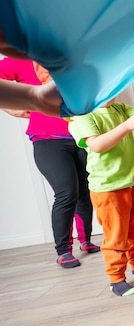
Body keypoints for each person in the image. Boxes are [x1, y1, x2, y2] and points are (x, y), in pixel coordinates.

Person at [67, 70, 134, 296]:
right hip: (107, 188)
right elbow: (98, 145)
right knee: (116, 235)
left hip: (131, 182)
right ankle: (116, 279)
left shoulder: (118, 109)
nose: (113, 92)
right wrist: (126, 126)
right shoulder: (83, 117)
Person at [0, 57, 99, 268]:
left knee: (84, 190)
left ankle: (86, 240)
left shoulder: (68, 57)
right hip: (47, 140)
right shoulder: (20, 60)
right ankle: (63, 251)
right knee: (66, 192)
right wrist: (13, 108)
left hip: (80, 135)